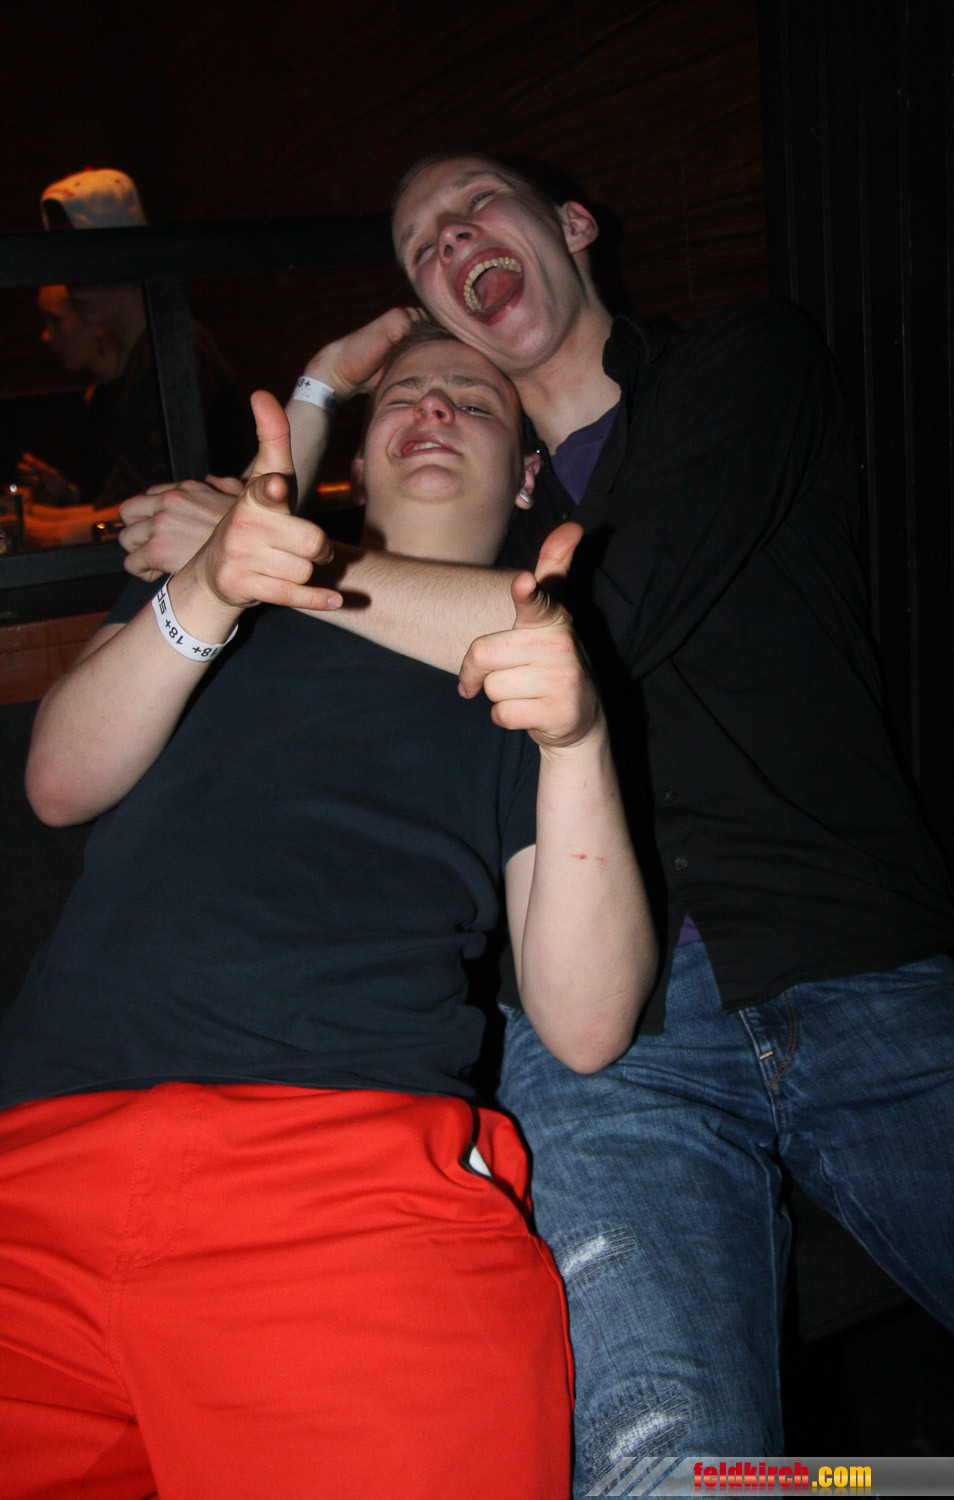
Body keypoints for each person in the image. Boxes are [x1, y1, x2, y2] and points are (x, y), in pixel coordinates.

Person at [117, 154, 954, 1486]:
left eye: (475, 204)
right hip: (610, 1033)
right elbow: (239, 628)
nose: (449, 239)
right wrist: (305, 425)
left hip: (852, 956)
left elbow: (603, 619)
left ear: (571, 225)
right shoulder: (468, 524)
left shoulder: (738, 366)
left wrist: (288, 564)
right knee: (678, 1472)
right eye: (419, 246)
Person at [0, 323, 657, 1500]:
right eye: (405, 395)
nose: (436, 408)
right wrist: (215, 571)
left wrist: (577, 741)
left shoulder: (534, 662)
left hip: (347, 1190)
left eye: (474, 400)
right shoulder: (225, 576)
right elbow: (58, 783)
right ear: (358, 452)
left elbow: (587, 1024)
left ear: (525, 474)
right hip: (32, 1172)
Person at [20, 168, 251, 547]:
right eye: (66, 258)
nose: (71, 278)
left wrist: (52, 531)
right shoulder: (140, 354)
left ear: (127, 249)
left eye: (85, 256)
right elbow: (131, 497)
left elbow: (174, 499)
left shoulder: (176, 350)